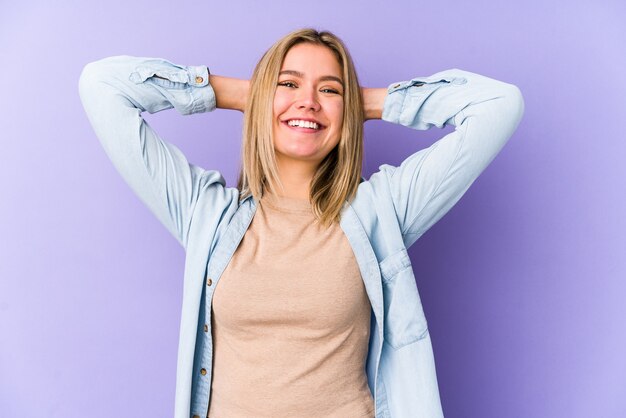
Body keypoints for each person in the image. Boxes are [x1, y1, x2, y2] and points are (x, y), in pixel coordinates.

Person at [78, 28, 524, 418]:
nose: (307, 101)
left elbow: (500, 105)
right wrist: (241, 95)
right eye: (287, 83)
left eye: (329, 90)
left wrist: (361, 102)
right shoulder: (205, 214)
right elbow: (101, 85)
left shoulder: (381, 210)